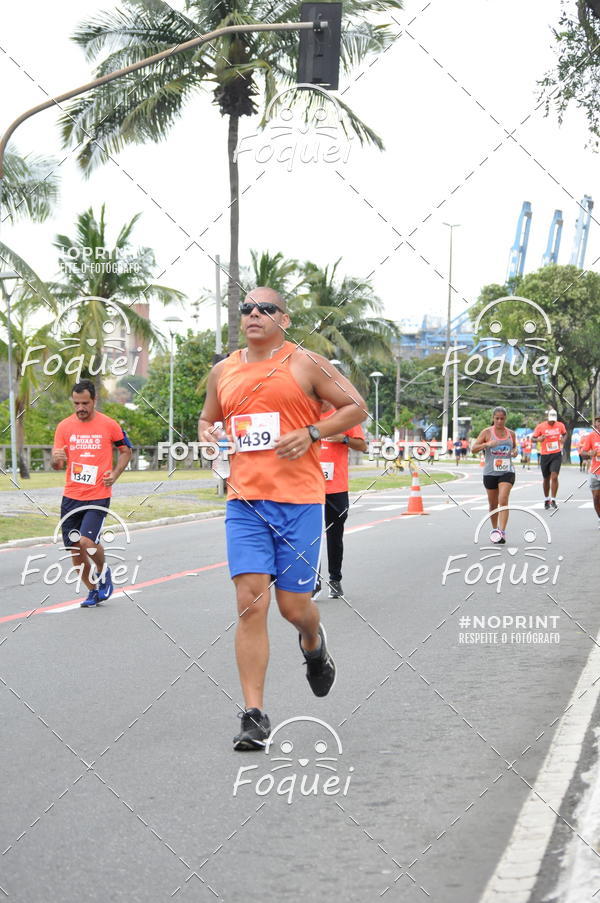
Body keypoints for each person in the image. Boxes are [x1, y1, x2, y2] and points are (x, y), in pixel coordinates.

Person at [198, 287, 367, 751]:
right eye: (246, 309)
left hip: (299, 503)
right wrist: (208, 434)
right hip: (245, 504)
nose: (254, 314)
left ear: (284, 319)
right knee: (250, 602)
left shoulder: (305, 363)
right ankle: (254, 715)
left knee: (294, 608)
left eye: (265, 308)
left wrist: (312, 431)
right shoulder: (223, 371)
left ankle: (313, 642)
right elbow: (207, 419)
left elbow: (355, 407)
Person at [52, 379, 132, 607]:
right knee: (75, 550)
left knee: (87, 541)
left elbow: (126, 451)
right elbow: (57, 464)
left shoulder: (109, 425)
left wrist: (114, 474)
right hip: (71, 496)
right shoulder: (64, 427)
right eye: (76, 403)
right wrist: (56, 460)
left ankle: (103, 571)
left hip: (98, 494)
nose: (80, 408)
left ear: (94, 400)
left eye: (85, 403)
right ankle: (92, 591)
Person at [313, 401, 367, 599]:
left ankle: (335, 579)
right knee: (310, 536)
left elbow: (362, 445)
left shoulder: (344, 416)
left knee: (335, 535)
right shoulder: (305, 414)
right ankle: (313, 581)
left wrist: (343, 438)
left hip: (336, 487)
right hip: (309, 486)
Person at [471, 406, 518, 544]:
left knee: (503, 499)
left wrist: (515, 451)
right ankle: (495, 530)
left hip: (507, 471)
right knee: (493, 504)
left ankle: (502, 532)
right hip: (490, 472)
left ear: (505, 419)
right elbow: (473, 449)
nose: (499, 421)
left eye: (502, 419)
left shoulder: (511, 433)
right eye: (497, 418)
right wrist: (487, 444)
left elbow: (514, 447)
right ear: (493, 418)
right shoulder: (486, 432)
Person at [531, 408, 567, 509]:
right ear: (548, 418)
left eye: (553, 420)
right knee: (546, 478)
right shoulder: (541, 426)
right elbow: (532, 438)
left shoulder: (560, 425)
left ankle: (553, 499)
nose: (552, 422)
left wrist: (563, 440)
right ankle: (547, 499)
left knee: (554, 476)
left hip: (556, 454)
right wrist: (538, 439)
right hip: (545, 455)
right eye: (550, 419)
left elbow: (565, 434)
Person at [579, 417, 600, 526]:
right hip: (595, 472)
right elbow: (583, 453)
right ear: (595, 424)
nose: (599, 423)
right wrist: (589, 453)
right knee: (596, 498)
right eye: (598, 421)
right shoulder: (591, 436)